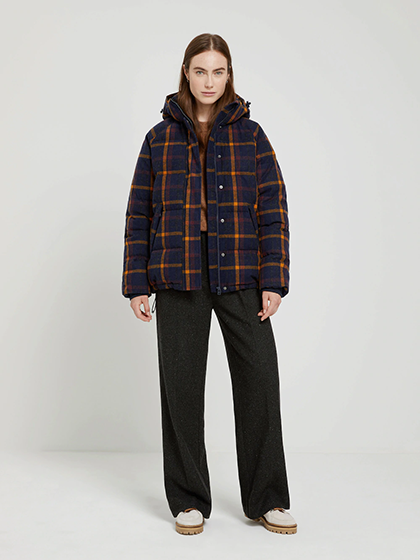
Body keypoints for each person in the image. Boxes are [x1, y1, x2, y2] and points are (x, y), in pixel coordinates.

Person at [122, 33, 297, 536]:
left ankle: (267, 499)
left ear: (228, 75)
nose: (209, 81)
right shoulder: (159, 138)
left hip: (241, 271)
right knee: (181, 389)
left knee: (260, 381)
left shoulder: (252, 136)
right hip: (177, 273)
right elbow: (139, 213)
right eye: (200, 71)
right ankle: (188, 499)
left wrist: (274, 280)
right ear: (186, 72)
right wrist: (137, 283)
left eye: (218, 72)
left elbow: (274, 209)